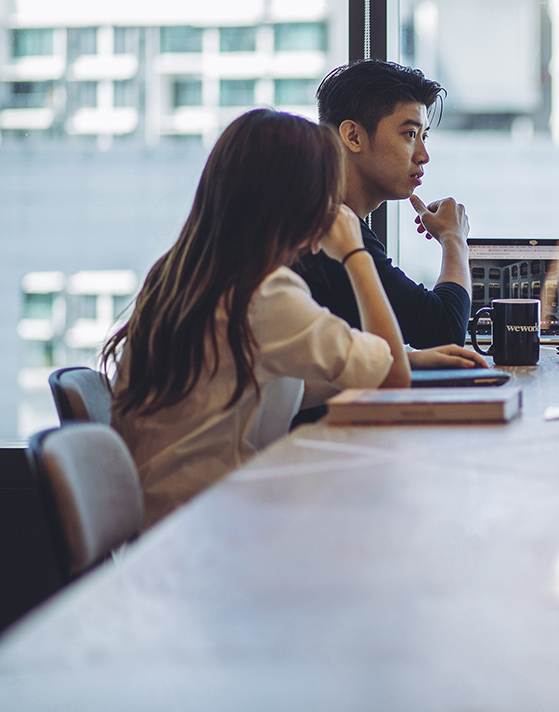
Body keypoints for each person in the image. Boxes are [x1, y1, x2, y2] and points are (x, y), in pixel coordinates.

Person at [104, 110, 486, 528]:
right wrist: (354, 255)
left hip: (177, 521)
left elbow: (289, 387)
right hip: (213, 529)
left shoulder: (181, 274)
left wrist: (408, 360)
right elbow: (391, 382)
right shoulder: (263, 293)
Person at [295, 60, 472, 349]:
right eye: (410, 134)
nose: (423, 155)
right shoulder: (328, 230)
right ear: (353, 136)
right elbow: (443, 330)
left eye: (424, 136)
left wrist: (411, 361)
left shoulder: (318, 211)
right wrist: (454, 239)